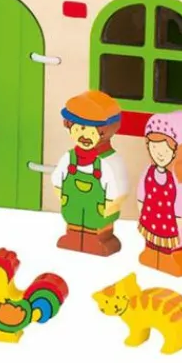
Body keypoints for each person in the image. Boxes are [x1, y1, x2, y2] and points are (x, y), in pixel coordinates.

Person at [51, 90, 127, 256]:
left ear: (105, 131)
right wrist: (61, 195)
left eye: (90, 130)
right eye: (78, 128)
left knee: (97, 224)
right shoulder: (69, 157)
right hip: (73, 206)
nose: (83, 135)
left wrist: (111, 204)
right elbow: (57, 179)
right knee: (73, 221)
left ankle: (100, 239)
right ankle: (72, 237)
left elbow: (117, 188)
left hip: (98, 211)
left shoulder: (109, 161)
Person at [136, 111, 182, 276]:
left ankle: (178, 258)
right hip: (151, 215)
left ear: (177, 150)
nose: (158, 153)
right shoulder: (149, 171)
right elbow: (142, 192)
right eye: (153, 147)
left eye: (165, 149)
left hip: (171, 221)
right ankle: (150, 254)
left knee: (172, 244)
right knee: (151, 240)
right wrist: (141, 206)